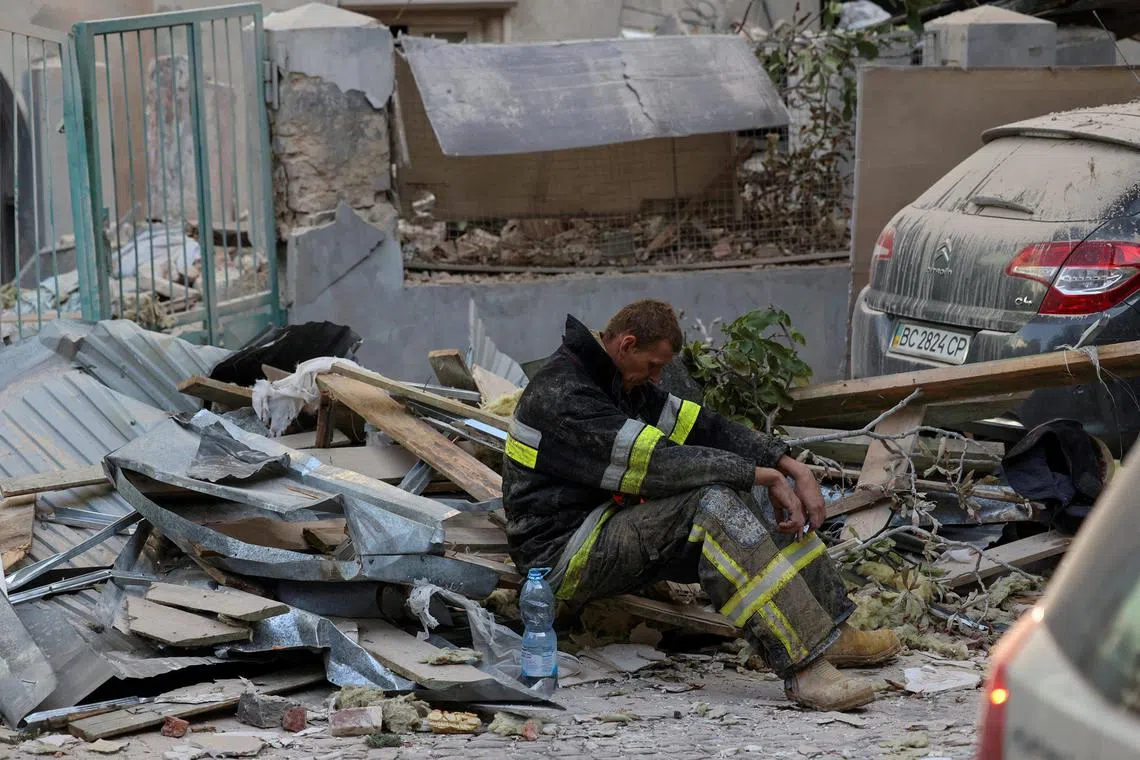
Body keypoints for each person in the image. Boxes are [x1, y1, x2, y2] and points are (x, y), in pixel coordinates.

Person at [502, 300, 901, 711]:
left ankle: (830, 628)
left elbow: (705, 429)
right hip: (562, 555)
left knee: (753, 486)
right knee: (713, 501)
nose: (658, 377)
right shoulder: (563, 395)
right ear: (627, 344)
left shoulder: (619, 380)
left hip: (607, 523)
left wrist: (789, 465)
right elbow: (659, 465)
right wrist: (757, 473)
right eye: (654, 365)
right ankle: (806, 669)